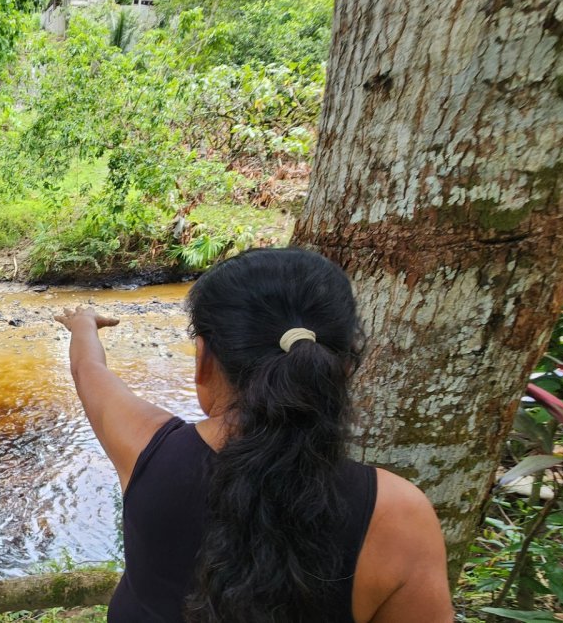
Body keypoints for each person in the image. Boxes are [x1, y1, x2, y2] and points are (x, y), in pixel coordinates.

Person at [55, 247, 454, 623]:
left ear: (204, 360)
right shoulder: (400, 517)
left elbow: (89, 370)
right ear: (344, 366)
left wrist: (83, 323)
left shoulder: (147, 449)